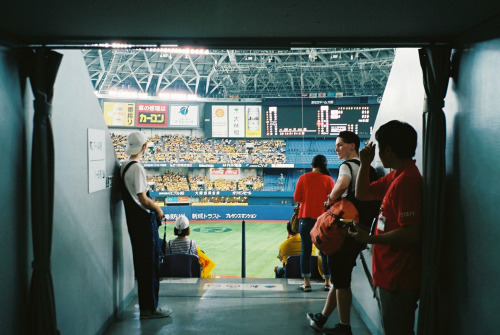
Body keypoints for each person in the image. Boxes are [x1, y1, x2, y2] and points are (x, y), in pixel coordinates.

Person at [349, 120, 423, 335]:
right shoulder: (397, 175)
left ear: (389, 150)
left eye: (381, 148)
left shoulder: (406, 181)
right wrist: (364, 164)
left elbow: (412, 233)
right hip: (389, 276)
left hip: (398, 278)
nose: (379, 153)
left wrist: (368, 239)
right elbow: (362, 194)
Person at [307, 131, 366, 334]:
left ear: (352, 146)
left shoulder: (347, 166)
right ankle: (322, 318)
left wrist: (330, 199)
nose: (336, 148)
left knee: (341, 280)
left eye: (340, 144)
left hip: (345, 230)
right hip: (360, 228)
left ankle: (344, 327)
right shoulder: (365, 168)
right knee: (340, 278)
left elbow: (342, 183)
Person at [120, 131, 172, 319]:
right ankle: (151, 309)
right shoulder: (137, 168)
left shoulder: (124, 165)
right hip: (144, 221)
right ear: (143, 147)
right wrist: (158, 210)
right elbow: (142, 198)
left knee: (142, 266)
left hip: (134, 222)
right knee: (150, 266)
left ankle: (146, 308)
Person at [294, 154, 334, 292]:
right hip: (323, 221)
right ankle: (328, 282)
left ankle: (307, 283)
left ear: (312, 165)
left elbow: (297, 197)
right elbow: (333, 200)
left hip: (305, 219)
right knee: (325, 251)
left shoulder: (303, 178)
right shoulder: (328, 180)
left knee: (305, 251)